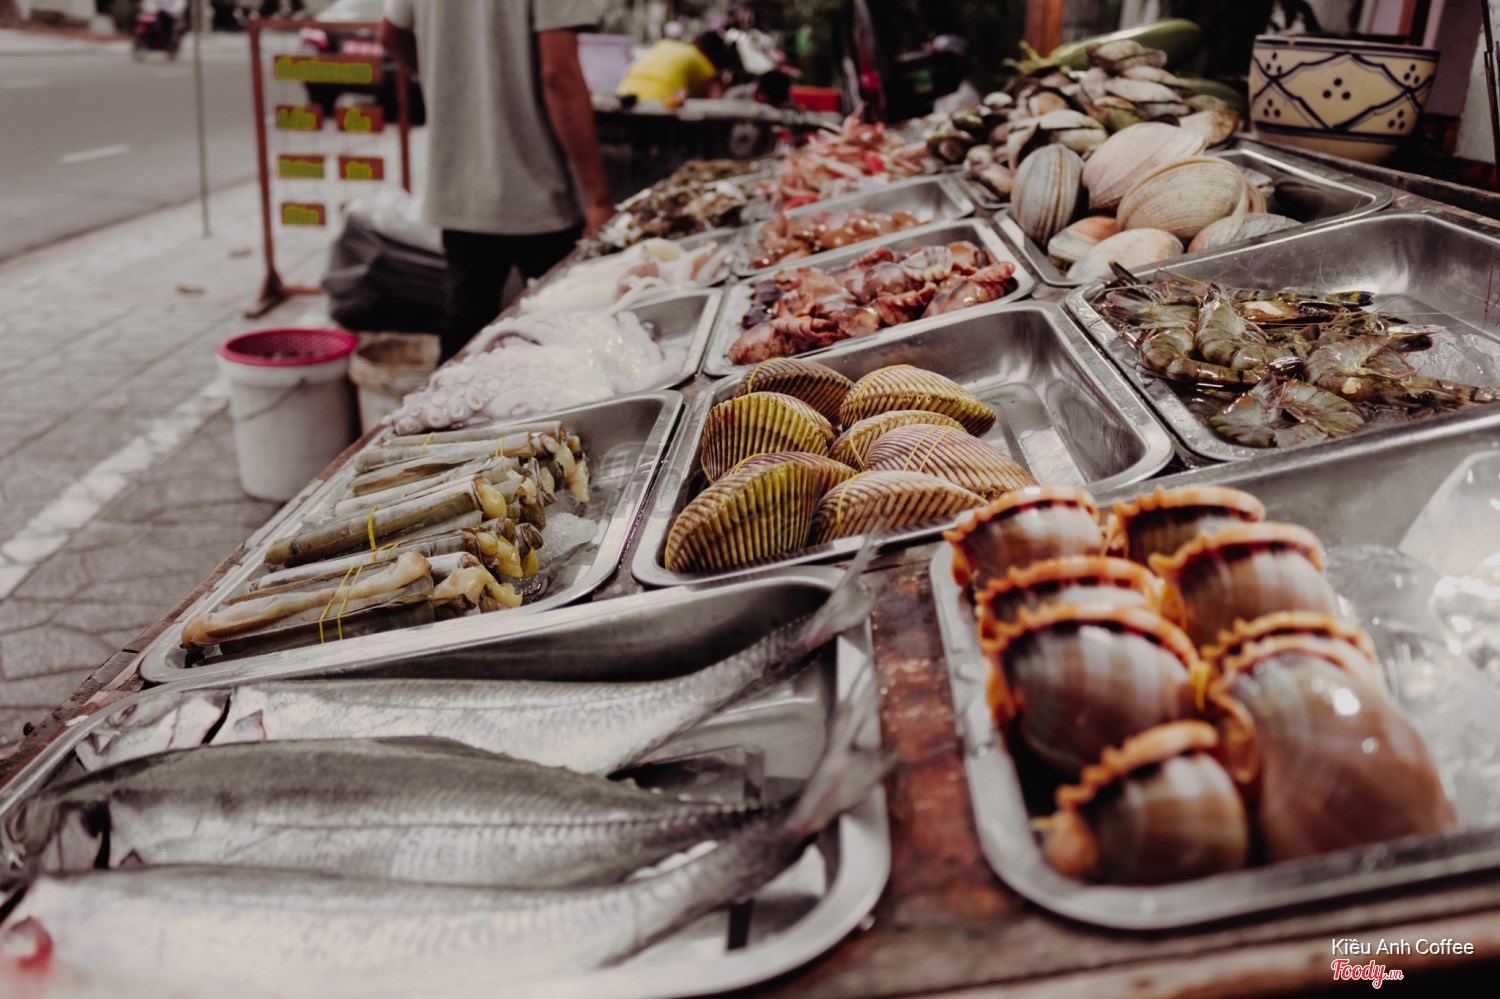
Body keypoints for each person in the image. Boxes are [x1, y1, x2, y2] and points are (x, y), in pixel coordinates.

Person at [380, 2, 615, 361]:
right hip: (538, 189)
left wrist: (439, 76)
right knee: (564, 332)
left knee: (465, 332)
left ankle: (447, 399)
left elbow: (390, 33)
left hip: (460, 186)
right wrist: (598, 197)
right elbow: (559, 77)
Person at [616, 31, 729, 106]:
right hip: (658, 110)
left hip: (624, 98)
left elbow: (629, 69)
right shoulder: (702, 61)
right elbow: (715, 103)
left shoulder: (663, 45)